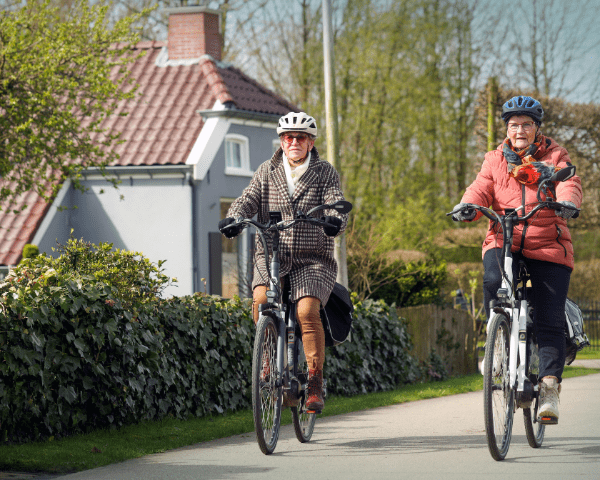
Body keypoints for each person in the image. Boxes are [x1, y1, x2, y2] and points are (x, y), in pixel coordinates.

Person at [452, 95, 582, 425]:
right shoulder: (494, 159)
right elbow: (480, 188)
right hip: (504, 237)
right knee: (493, 281)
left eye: (526, 124)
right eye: (513, 125)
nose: (519, 130)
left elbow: (568, 181)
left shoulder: (554, 155)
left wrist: (567, 202)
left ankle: (549, 388)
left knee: (549, 317)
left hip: (548, 242)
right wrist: (467, 206)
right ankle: (496, 346)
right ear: (506, 129)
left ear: (537, 128)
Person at [218, 112, 348, 412]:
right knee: (262, 300)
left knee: (306, 311)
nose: (294, 142)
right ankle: (267, 360)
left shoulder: (324, 172)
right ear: (281, 141)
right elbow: (248, 199)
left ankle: (314, 381)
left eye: (300, 137)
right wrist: (235, 217)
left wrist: (334, 221)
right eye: (288, 137)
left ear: (311, 142)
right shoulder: (267, 170)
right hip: (271, 253)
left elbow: (335, 202)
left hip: (312, 259)